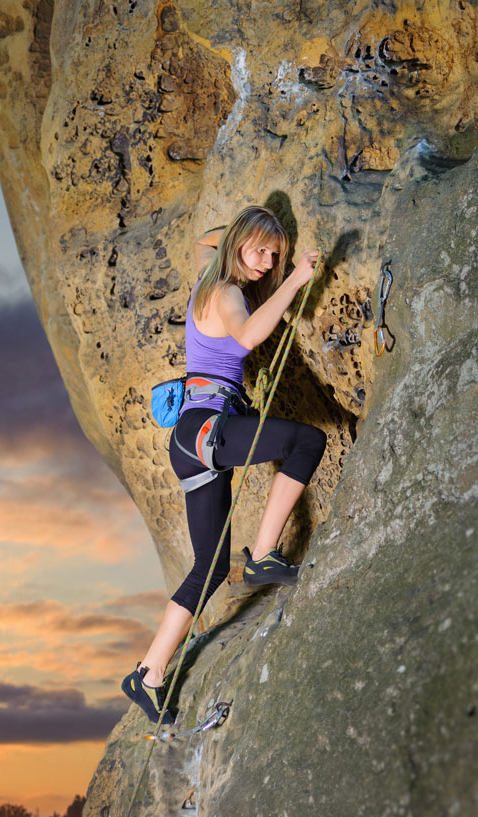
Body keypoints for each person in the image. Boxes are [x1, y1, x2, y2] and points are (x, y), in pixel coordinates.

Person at [122, 205, 327, 723]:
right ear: (237, 244)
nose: (266, 262)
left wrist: (251, 238)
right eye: (259, 250)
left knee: (210, 567)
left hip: (191, 438)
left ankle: (147, 674)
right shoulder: (226, 293)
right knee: (307, 441)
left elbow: (207, 242)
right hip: (210, 428)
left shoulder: (205, 280)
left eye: (275, 256)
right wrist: (296, 277)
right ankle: (262, 554)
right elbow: (249, 337)